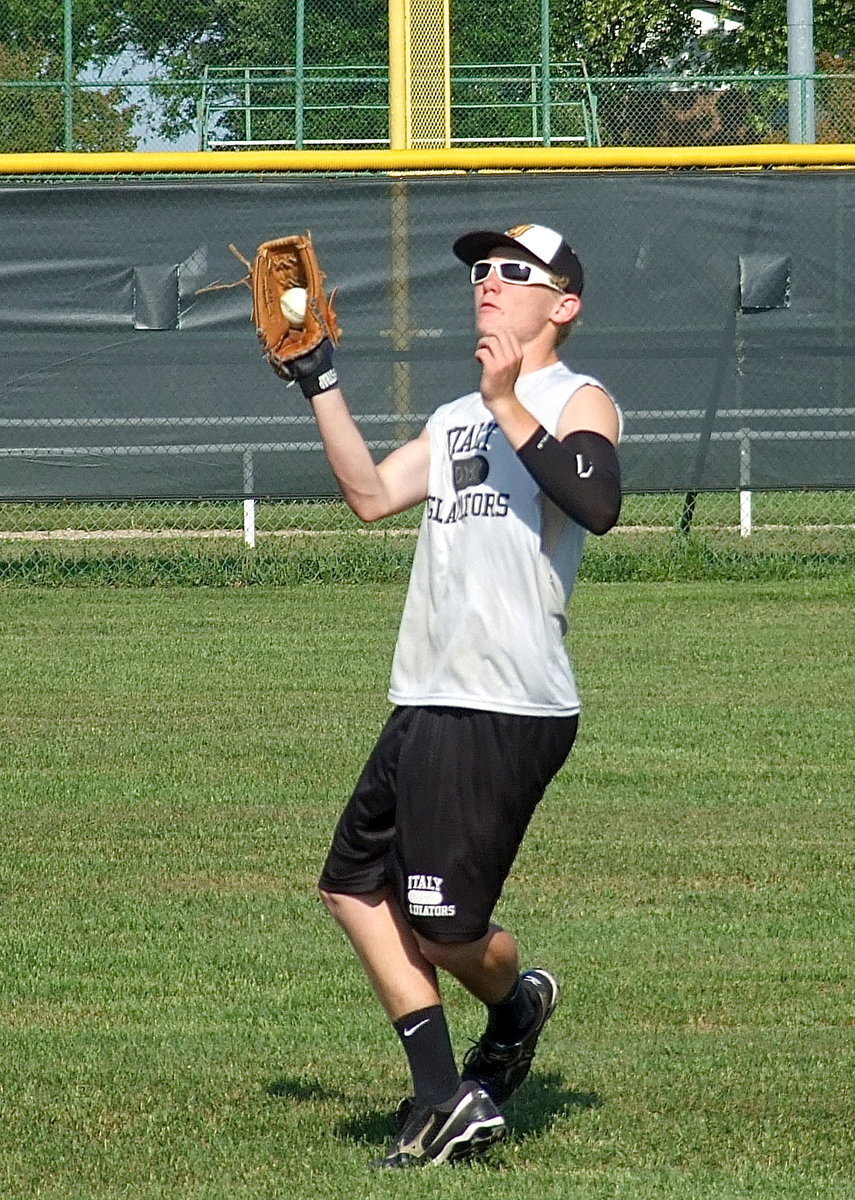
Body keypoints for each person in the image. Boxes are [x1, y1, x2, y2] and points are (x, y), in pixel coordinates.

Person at [289, 222, 623, 1168]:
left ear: (563, 305)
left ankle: (513, 1009)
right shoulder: (452, 416)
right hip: (427, 692)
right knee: (351, 888)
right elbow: (369, 495)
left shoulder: (578, 397)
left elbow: (598, 502)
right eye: (482, 269)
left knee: (440, 931)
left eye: (514, 271)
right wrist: (320, 381)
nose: (489, 281)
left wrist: (508, 399)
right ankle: (445, 1097)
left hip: (507, 701)